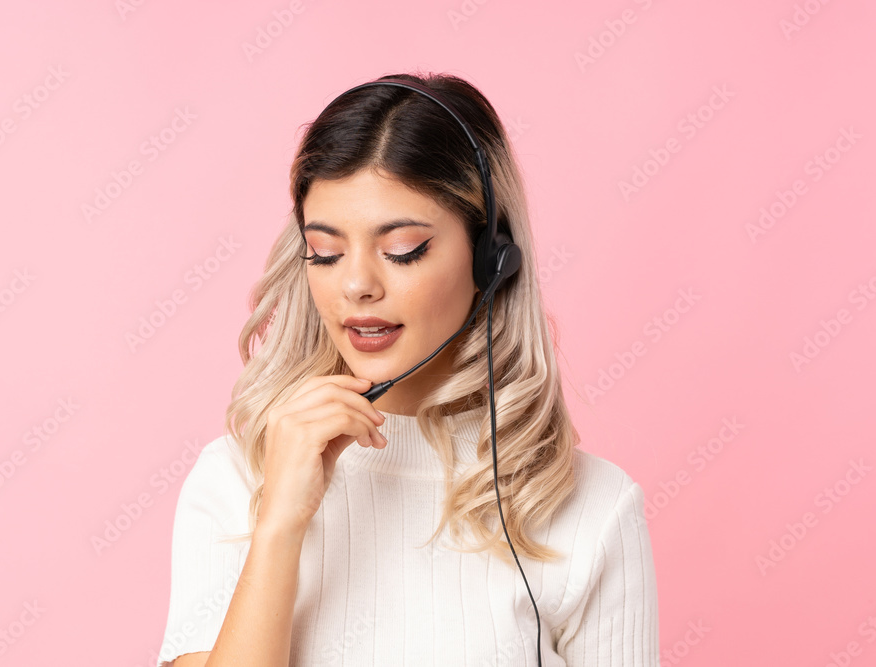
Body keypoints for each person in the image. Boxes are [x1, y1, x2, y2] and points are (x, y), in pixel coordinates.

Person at [156, 71, 660, 667]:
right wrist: (279, 525)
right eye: (325, 252)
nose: (356, 286)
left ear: (490, 259)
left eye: (402, 250)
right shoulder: (234, 479)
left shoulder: (593, 510)